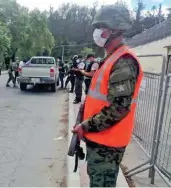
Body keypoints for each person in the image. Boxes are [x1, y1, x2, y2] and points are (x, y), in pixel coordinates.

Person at [71, 4, 143, 187]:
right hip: (100, 140)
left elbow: (118, 108)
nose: (97, 31)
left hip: (107, 144)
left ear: (115, 30)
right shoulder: (112, 58)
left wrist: (86, 126)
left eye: (101, 27)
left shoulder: (124, 62)